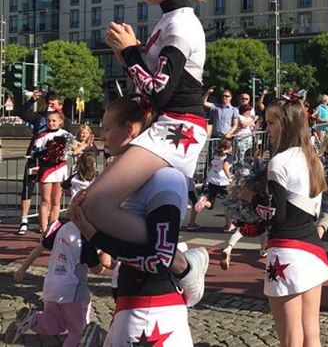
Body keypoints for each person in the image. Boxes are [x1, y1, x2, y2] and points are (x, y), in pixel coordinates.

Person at [81, 0, 209, 254]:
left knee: (96, 205)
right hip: (169, 126)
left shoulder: (180, 25)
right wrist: (130, 56)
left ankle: (175, 260)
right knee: (95, 204)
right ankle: (164, 257)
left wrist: (130, 55)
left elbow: (159, 94)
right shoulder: (168, 21)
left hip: (177, 127)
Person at [70, 94, 203, 344]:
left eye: (108, 128)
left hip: (153, 312)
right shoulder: (130, 179)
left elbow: (159, 259)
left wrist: (94, 235)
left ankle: (190, 266)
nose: (103, 136)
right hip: (134, 305)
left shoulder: (166, 178)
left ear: (129, 129)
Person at [243, 98, 328, 347]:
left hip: (286, 251)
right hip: (312, 249)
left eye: (271, 123)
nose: (267, 129)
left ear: (285, 125)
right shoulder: (312, 158)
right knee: (311, 333)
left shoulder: (279, 163)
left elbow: (275, 215)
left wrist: (249, 198)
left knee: (291, 337)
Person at [4, 219, 107, 345]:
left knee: (55, 322)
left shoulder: (62, 227)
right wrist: (103, 255)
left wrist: (22, 269)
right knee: (78, 332)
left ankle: (33, 319)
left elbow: (40, 248)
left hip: (51, 285)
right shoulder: (85, 238)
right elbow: (96, 270)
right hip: (73, 291)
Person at [15, 91, 63, 235]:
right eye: (48, 103)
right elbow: (21, 112)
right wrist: (32, 100)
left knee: (53, 197)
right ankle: (24, 220)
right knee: (28, 187)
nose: (50, 106)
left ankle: (52, 225)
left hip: (53, 163)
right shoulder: (40, 118)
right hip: (35, 157)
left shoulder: (64, 121)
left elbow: (69, 141)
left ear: (59, 106)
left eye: (53, 104)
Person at [33, 110, 73, 233]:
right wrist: (48, 151)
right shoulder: (42, 135)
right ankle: (44, 229)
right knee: (45, 200)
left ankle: (53, 229)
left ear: (60, 121)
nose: (51, 123)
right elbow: (35, 153)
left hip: (60, 168)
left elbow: (72, 149)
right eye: (49, 121)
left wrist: (68, 151)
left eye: (54, 121)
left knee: (56, 201)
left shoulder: (66, 135)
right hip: (46, 169)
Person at [193, 138, 234, 229]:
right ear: (229, 147)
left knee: (211, 203)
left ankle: (203, 203)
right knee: (229, 203)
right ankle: (229, 224)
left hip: (212, 180)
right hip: (223, 182)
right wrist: (230, 177)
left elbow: (211, 166)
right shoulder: (229, 156)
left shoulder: (216, 155)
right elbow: (225, 166)